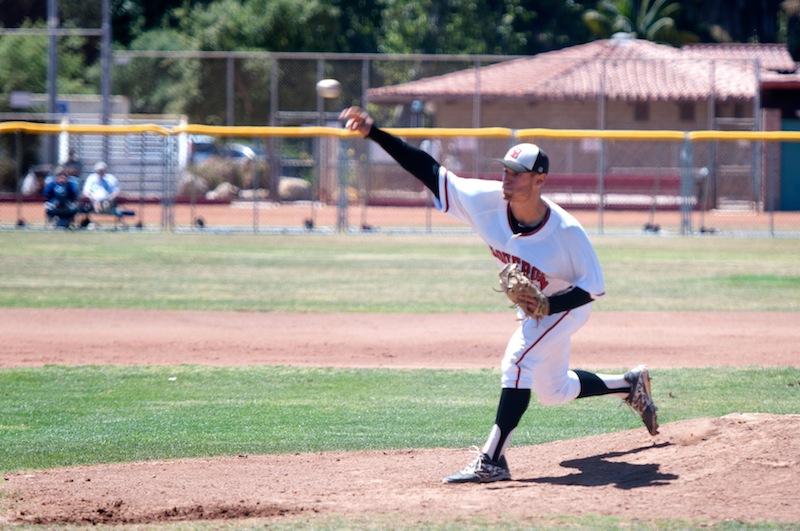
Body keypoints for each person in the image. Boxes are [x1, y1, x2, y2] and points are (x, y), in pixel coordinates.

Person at [339, 106, 659, 484]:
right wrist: (375, 133)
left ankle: (492, 460)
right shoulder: (483, 200)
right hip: (535, 308)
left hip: (567, 304)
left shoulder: (567, 232)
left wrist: (549, 305)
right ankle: (628, 384)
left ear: (539, 180)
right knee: (553, 390)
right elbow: (427, 168)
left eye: (517, 174)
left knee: (518, 362)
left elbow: (592, 289)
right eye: (505, 170)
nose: (507, 179)